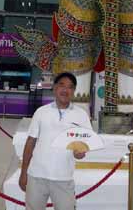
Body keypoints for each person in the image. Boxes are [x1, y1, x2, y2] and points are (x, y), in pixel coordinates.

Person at [19, 72, 92, 210]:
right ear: (54, 88)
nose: (65, 90)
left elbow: (84, 145)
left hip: (63, 179)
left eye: (70, 87)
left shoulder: (81, 115)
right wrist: (24, 173)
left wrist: (80, 153)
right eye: (61, 85)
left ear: (74, 91)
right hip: (37, 177)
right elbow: (30, 143)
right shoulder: (41, 112)